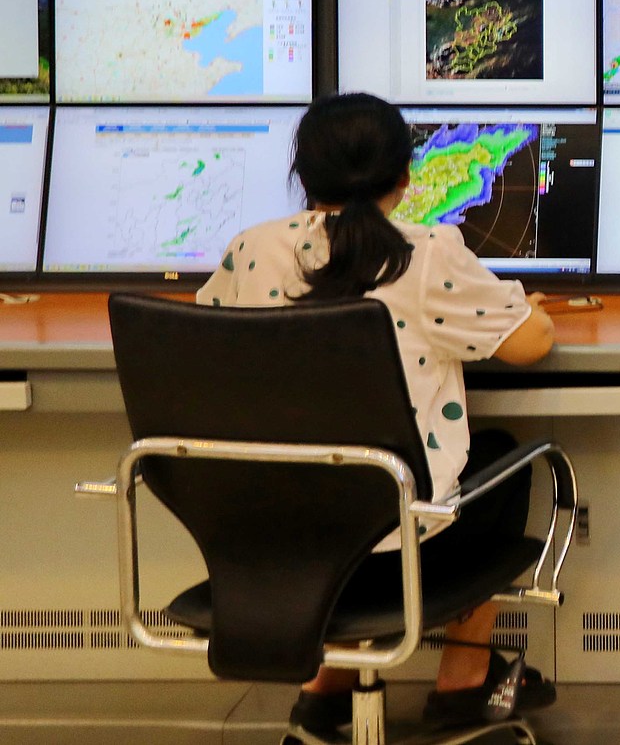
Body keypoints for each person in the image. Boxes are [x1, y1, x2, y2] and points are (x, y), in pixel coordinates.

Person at [196, 93, 559, 737]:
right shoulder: (426, 255)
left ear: (302, 178)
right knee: (502, 457)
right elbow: (531, 344)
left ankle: (327, 687)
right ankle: (463, 682)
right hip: (396, 556)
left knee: (330, 479)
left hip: (274, 550)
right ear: (405, 177)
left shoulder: (249, 251)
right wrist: (525, 304)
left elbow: (200, 330)